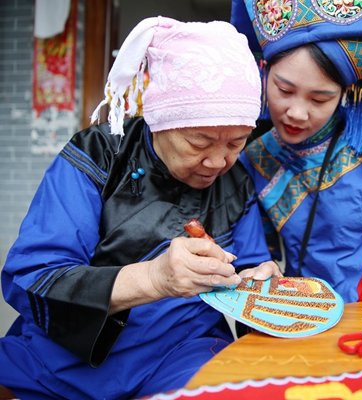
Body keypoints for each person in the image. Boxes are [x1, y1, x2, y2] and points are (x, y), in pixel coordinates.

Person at [0, 17, 280, 399]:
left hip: (183, 354)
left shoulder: (236, 183)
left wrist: (262, 285)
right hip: (63, 362)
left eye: (236, 143)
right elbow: (31, 277)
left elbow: (249, 267)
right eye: (200, 141)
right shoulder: (98, 156)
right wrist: (152, 279)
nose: (218, 162)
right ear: (160, 118)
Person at [231, 0, 362, 303]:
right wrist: (261, 272)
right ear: (264, 73)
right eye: (284, 90)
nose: (297, 113)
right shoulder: (254, 159)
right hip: (306, 314)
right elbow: (261, 258)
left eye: (319, 99)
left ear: (345, 93)